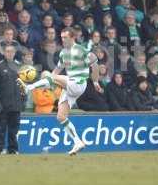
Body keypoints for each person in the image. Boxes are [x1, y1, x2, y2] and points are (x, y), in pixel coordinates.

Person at [18, 27, 101, 155]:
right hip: (69, 86)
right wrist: (48, 81)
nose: (63, 40)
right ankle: (78, 142)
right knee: (61, 117)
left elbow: (95, 63)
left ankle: (28, 87)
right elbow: (56, 71)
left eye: (65, 37)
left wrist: (95, 81)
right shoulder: (63, 53)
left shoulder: (81, 50)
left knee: (48, 76)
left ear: (73, 38)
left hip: (78, 83)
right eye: (61, 37)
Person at [0, 45, 24, 154]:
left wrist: (22, 99)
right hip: (3, 105)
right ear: (4, 53)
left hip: (16, 104)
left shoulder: (20, 67)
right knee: (0, 129)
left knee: (14, 130)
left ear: (14, 53)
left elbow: (23, 85)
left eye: (11, 51)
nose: (9, 53)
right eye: (7, 51)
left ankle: (13, 149)